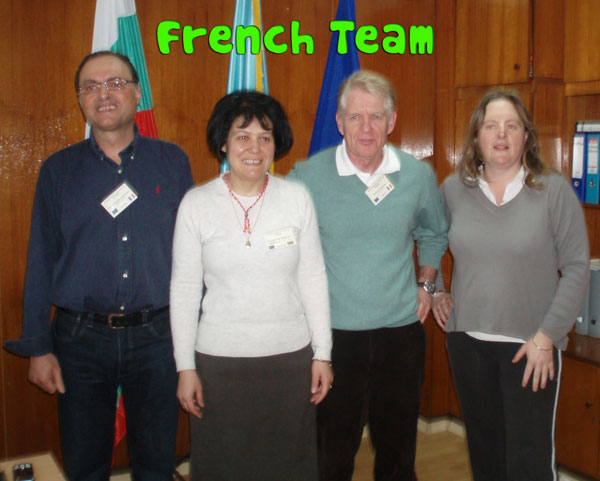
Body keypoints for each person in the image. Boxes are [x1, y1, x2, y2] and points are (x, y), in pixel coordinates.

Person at [3, 51, 193, 480]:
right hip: (80, 340)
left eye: (115, 83)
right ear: (80, 100)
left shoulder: (172, 162)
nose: (103, 94)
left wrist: (196, 338)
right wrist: (38, 347)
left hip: (158, 337)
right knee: (85, 463)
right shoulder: (58, 171)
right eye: (90, 87)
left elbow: (192, 255)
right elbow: (41, 260)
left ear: (137, 93)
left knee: (157, 463)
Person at [288, 70, 448, 481]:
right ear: (339, 122)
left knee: (398, 454)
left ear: (391, 121)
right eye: (355, 116)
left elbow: (433, 232)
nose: (366, 127)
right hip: (334, 338)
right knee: (331, 453)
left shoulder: (417, 176)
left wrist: (426, 283)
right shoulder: (306, 178)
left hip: (401, 335)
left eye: (376, 116)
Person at [170, 90, 333, 481]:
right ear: (224, 143)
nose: (255, 148)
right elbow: (184, 289)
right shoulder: (196, 204)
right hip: (218, 364)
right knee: (224, 465)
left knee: (288, 465)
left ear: (277, 144)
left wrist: (323, 354)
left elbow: (312, 277)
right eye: (242, 136)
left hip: (289, 360)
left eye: (265, 137)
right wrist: (185, 367)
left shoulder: (296, 198)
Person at [432, 89, 590, 481]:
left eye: (512, 126)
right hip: (467, 344)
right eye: (491, 126)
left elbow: (576, 269)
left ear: (526, 136)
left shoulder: (553, 191)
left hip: (531, 348)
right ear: (477, 136)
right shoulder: (453, 189)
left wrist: (546, 338)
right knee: (485, 457)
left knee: (528, 464)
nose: (501, 135)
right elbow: (430, 239)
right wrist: (435, 290)